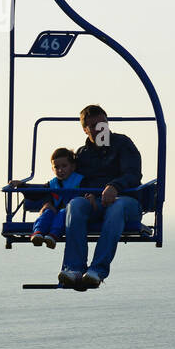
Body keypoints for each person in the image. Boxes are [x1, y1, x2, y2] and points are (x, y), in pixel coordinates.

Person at [59, 104, 144, 290]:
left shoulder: (122, 144)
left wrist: (114, 186)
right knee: (75, 205)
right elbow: (71, 181)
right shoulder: (82, 154)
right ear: (85, 129)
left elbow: (133, 174)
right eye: (95, 126)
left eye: (103, 124)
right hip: (95, 203)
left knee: (116, 207)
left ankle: (97, 270)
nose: (101, 129)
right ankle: (74, 268)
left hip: (125, 200)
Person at [28, 148, 84, 248]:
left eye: (64, 166)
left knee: (62, 213)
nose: (60, 170)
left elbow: (87, 194)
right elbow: (38, 193)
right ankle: (38, 232)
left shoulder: (80, 181)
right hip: (55, 211)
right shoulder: (52, 184)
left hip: (70, 213)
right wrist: (21, 186)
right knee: (47, 212)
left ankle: (53, 235)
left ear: (73, 167)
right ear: (52, 169)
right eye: (56, 167)